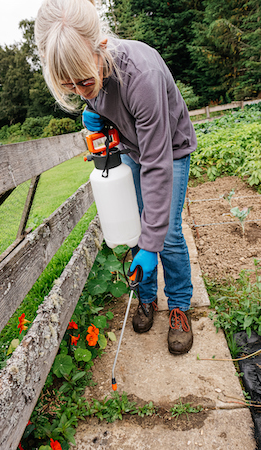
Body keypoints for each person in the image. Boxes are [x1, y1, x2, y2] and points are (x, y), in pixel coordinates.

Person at [35, 0, 197, 355]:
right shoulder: (87, 79)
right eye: (70, 86)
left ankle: (180, 307)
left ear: (101, 49)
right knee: (143, 226)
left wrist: (151, 245)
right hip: (135, 148)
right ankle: (146, 297)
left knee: (165, 232)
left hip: (169, 149)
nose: (80, 91)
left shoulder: (140, 75)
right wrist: (95, 115)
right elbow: (103, 102)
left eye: (85, 82)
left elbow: (158, 163)